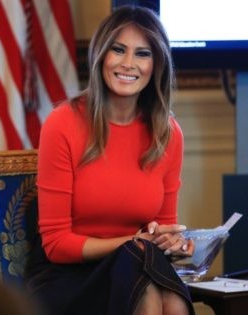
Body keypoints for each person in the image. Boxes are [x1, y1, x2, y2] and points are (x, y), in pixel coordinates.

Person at [25, 5, 195, 315]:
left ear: (156, 65)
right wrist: (134, 242)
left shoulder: (167, 133)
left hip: (136, 265)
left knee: (167, 295)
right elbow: (56, 244)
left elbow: (161, 227)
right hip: (66, 276)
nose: (128, 64)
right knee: (146, 284)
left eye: (142, 54)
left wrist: (173, 243)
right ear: (101, 56)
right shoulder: (62, 123)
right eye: (119, 50)